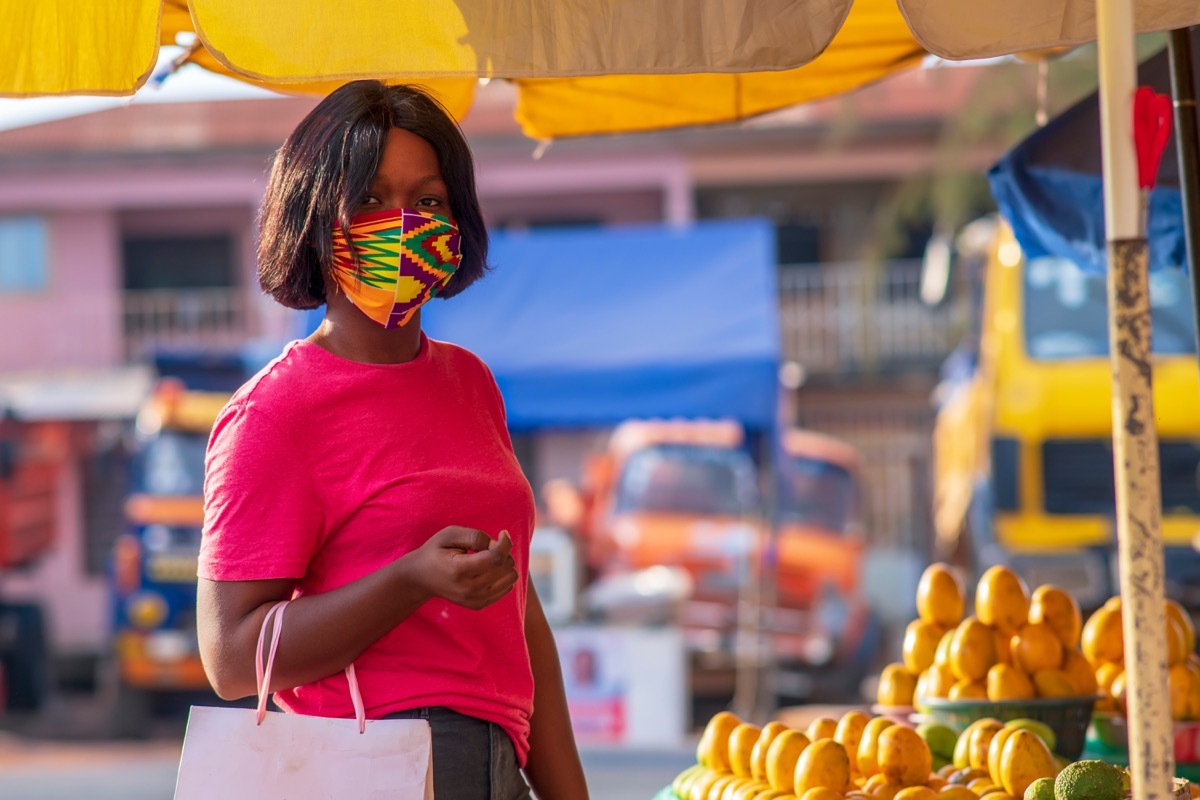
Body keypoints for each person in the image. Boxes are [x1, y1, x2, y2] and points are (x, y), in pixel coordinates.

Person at [195, 80, 589, 800]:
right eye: (371, 200)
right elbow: (229, 656)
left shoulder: (471, 383)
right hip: (372, 761)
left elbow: (518, 609)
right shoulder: (275, 413)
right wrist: (406, 583)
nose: (402, 224)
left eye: (428, 201)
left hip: (498, 758)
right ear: (317, 218)